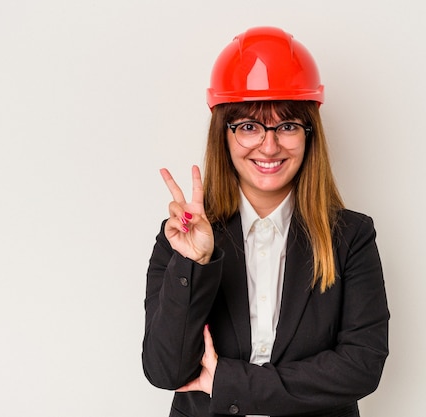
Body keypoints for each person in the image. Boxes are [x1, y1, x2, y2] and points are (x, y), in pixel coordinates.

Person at [142, 26, 389, 417]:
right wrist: (194, 263)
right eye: (249, 126)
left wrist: (230, 383)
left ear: (309, 135)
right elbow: (165, 369)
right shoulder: (180, 237)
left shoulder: (351, 237)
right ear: (223, 134)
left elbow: (361, 367)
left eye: (287, 125)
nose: (269, 145)